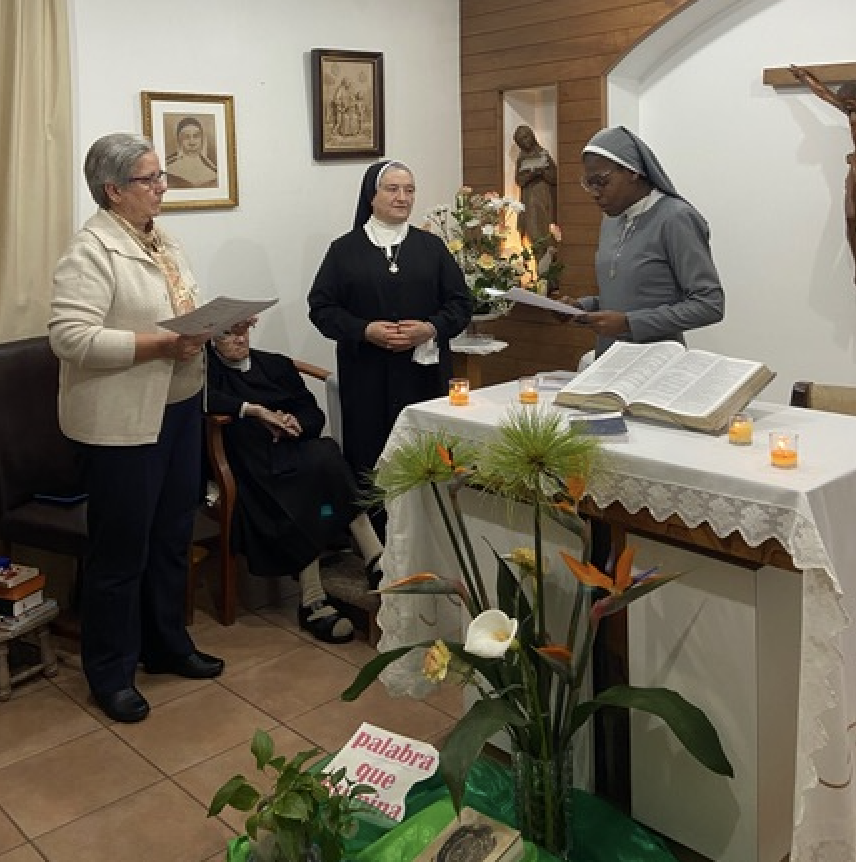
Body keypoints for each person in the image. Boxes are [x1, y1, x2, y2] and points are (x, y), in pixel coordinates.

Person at [49, 132, 226, 724]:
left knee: (172, 535)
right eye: (150, 179)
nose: (162, 187)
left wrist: (213, 327)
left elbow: (181, 307)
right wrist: (159, 344)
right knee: (121, 551)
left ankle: (166, 644)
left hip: (178, 407)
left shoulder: (162, 240)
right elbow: (70, 337)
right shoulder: (90, 250)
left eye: (161, 176)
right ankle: (111, 672)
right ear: (114, 190)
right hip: (120, 424)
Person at [307, 160, 473, 534]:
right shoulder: (344, 250)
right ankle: (379, 549)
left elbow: (461, 304)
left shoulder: (431, 247)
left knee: (428, 458)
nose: (403, 197)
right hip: (366, 379)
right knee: (372, 461)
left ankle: (431, 541)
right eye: (393, 189)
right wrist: (365, 330)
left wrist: (430, 328)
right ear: (372, 195)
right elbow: (321, 309)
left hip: (423, 379)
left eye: (409, 190)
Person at [205, 332, 386, 644]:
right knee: (306, 480)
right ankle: (316, 594)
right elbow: (202, 400)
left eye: (243, 331)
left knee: (326, 453)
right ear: (211, 339)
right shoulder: (205, 372)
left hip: (292, 450)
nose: (239, 339)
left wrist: (295, 423)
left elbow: (312, 412)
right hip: (252, 465)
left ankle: (366, 560)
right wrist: (254, 410)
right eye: (228, 334)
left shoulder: (275, 364)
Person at [572, 125, 725, 356]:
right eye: (588, 184)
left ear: (632, 171)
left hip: (656, 363)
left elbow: (709, 304)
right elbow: (631, 294)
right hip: (610, 358)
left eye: (601, 182)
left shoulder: (676, 218)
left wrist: (630, 324)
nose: (595, 193)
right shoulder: (612, 220)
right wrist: (584, 307)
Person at [790, 65, 856, 283]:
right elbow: (824, 94)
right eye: (846, 106)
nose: (848, 110)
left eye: (851, 104)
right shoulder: (848, 108)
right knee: (851, 216)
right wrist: (804, 77)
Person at [513, 124, 558, 245]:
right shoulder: (522, 158)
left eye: (526, 137)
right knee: (532, 227)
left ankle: (547, 252)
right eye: (521, 140)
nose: (525, 142)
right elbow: (519, 180)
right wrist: (530, 175)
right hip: (528, 198)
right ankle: (537, 251)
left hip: (544, 197)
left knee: (545, 226)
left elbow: (555, 177)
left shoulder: (543, 154)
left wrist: (542, 172)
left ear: (532, 136)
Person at [166, 116, 218, 189]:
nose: (192, 141)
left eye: (196, 136)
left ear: (202, 139)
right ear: (179, 140)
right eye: (186, 137)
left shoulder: (213, 170)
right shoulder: (169, 169)